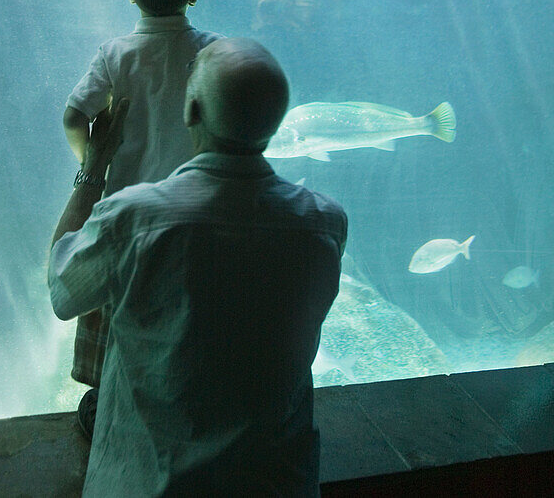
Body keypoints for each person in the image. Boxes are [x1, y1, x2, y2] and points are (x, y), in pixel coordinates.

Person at [49, 38, 347, 496]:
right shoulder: (323, 225)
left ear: (190, 110)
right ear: (275, 123)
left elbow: (62, 290)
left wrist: (94, 167)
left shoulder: (134, 219)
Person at [62, 0, 220, 434]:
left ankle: (104, 404)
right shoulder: (213, 51)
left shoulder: (115, 54)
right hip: (192, 210)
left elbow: (72, 115)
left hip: (125, 217)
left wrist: (92, 162)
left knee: (114, 307)